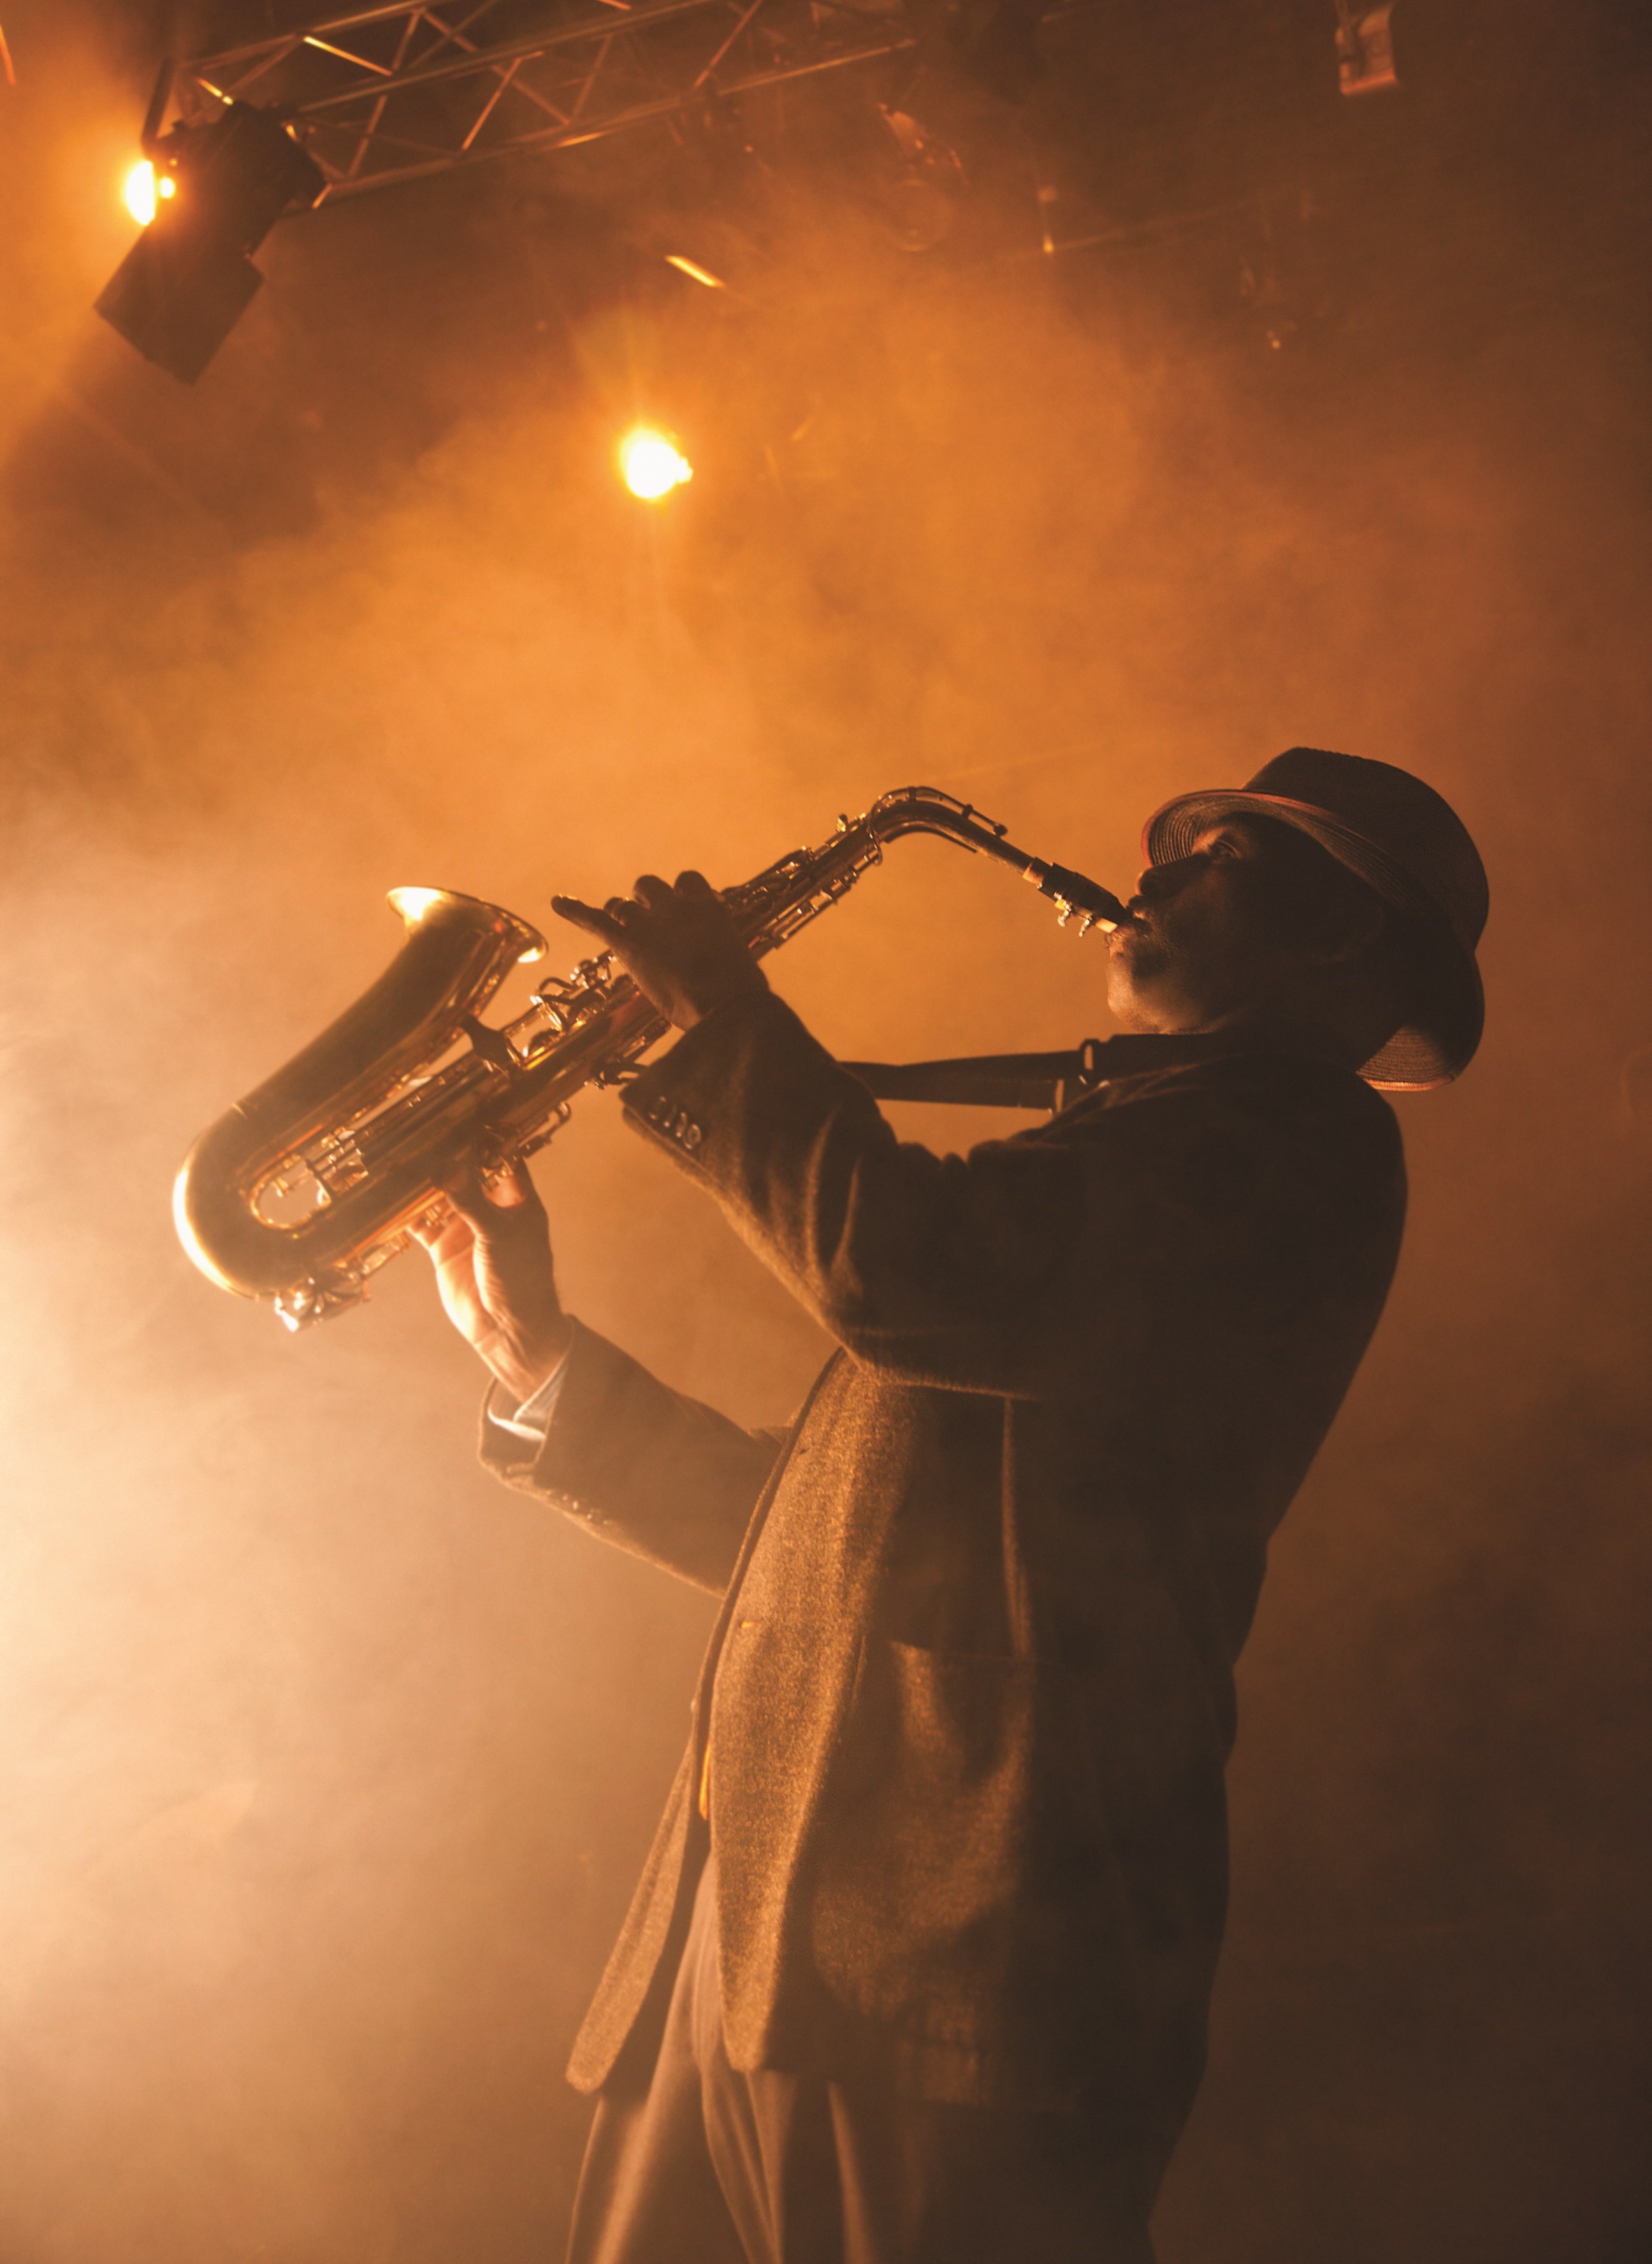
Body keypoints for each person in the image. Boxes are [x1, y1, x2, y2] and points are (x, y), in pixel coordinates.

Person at [416, 748, 1488, 2264]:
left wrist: (728, 1018)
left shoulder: (1294, 1140)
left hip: (963, 1953)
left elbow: (909, 1271)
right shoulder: (1137, 1143)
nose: (1160, 872)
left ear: (1342, 934)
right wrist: (544, 1368)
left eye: (1227, 860)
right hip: (760, 1938)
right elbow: (825, 1551)